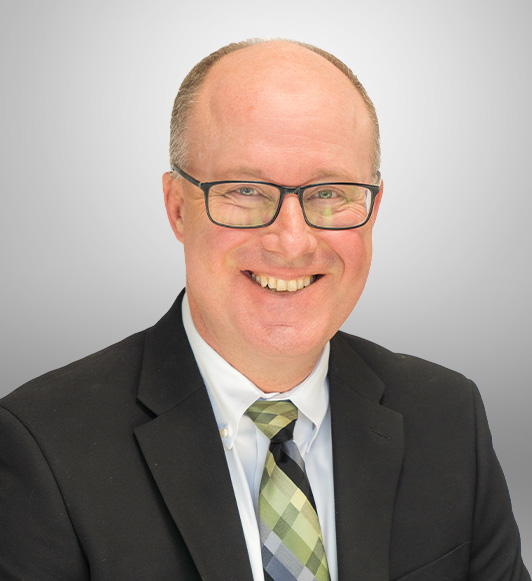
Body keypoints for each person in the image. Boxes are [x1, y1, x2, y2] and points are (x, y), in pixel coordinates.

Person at [0, 38, 528, 581]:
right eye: (246, 189)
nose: (292, 241)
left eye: (330, 192)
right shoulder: (42, 447)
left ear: (372, 210)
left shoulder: (447, 417)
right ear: (177, 208)